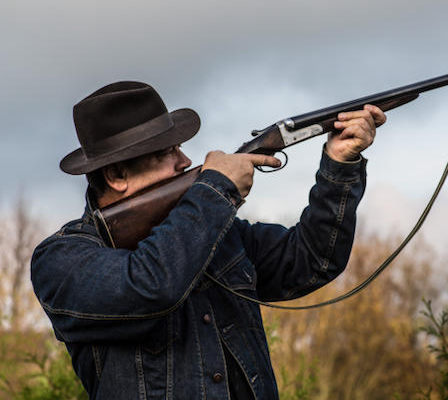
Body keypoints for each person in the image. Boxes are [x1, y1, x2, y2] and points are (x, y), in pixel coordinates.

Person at [31, 81, 385, 399]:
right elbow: (149, 287)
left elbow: (310, 262)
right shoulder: (61, 260)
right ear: (118, 175)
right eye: (165, 153)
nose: (185, 160)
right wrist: (216, 188)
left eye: (179, 147)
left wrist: (340, 164)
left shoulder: (217, 234)